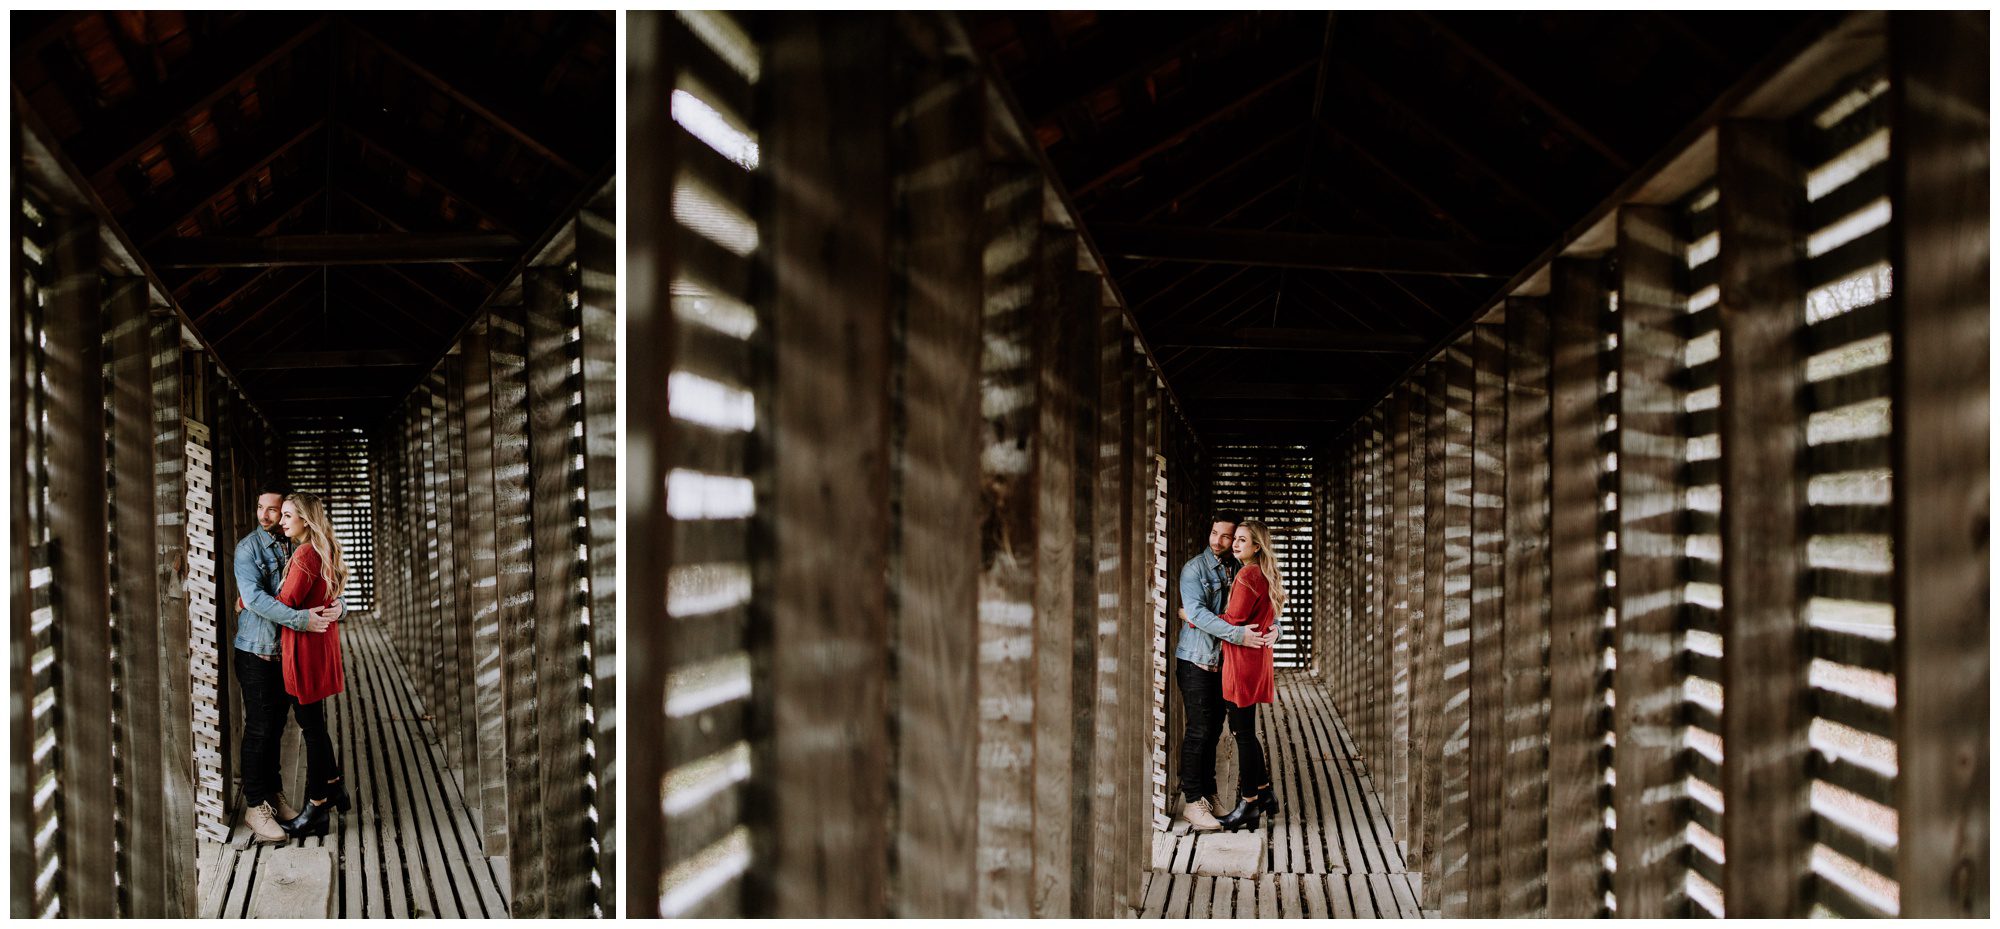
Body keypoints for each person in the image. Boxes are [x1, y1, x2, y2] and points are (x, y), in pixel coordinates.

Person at [231, 487, 342, 842]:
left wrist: (340, 608)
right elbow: (260, 599)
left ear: (288, 515)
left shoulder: (297, 544)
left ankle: (273, 796)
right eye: (260, 507)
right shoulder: (248, 549)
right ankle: (254, 805)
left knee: (276, 729)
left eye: (274, 510)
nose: (265, 515)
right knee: (260, 729)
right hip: (257, 651)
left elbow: (325, 587)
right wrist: (299, 619)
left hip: (287, 654)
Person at [1173, 515, 1277, 831]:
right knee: (1199, 731)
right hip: (1198, 660)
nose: (1219, 541)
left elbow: (1265, 606)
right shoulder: (1194, 569)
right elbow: (1200, 614)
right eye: (1214, 532)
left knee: (1216, 731)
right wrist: (1234, 633)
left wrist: (1277, 630)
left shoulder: (1240, 567)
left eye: (1227, 536)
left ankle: (1210, 793)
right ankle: (1193, 801)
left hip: (1227, 663)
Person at [271, 491, 351, 837]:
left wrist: (248, 599)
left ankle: (318, 804)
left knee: (311, 726)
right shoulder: (325, 549)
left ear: (305, 518)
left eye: (289, 516)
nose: (282, 521)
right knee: (313, 722)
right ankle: (332, 786)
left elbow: (286, 601)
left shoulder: (305, 554)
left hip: (305, 646)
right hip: (321, 644)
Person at [1214, 519, 1284, 831]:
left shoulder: (1247, 575)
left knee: (1241, 733)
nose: (1236, 544)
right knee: (1246, 730)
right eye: (1236, 539)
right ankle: (1265, 793)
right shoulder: (1264, 574)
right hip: (1257, 661)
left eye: (1243, 540)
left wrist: (1193, 617)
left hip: (1241, 661)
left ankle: (1249, 803)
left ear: (1257, 546)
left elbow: (1234, 619)